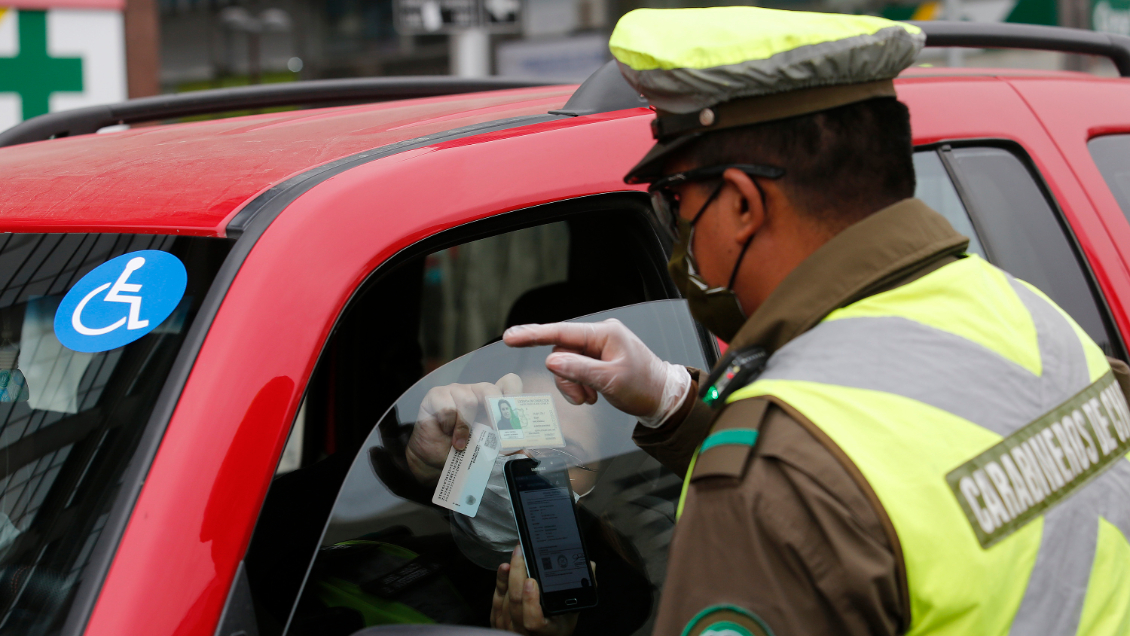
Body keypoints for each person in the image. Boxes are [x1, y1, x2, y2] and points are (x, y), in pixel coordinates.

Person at [494, 6, 1130, 636]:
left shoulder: (763, 485)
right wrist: (669, 398)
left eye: (676, 202)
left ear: (741, 202)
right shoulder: (1035, 316)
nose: (678, 235)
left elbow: (827, 481)